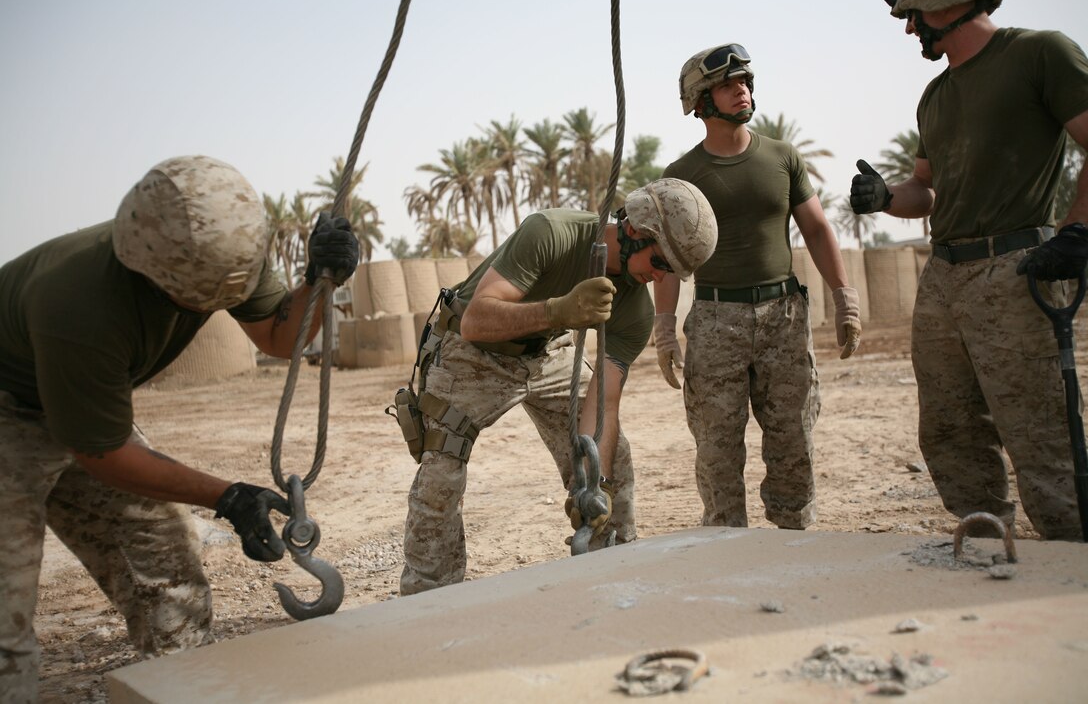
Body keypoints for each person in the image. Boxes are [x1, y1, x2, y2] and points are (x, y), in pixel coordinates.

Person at [0, 155, 360, 700]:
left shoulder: (226, 252)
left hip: (86, 411)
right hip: (11, 414)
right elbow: (105, 455)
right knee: (6, 622)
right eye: (203, 297)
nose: (218, 302)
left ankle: (178, 690)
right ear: (149, 267)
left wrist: (318, 283)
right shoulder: (76, 302)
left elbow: (281, 341)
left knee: (166, 564)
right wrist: (229, 496)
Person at [398, 178, 717, 595]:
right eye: (660, 263)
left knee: (610, 466)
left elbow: (604, 403)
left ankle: (614, 577)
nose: (660, 277)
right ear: (636, 231)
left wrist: (590, 482)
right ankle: (427, 601)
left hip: (549, 350)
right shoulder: (551, 233)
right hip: (473, 348)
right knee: (441, 471)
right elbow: (476, 320)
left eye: (672, 273)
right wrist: (559, 309)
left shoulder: (635, 312)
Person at [851, 0, 1088, 539]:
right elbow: (926, 193)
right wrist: (886, 197)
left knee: (1038, 427)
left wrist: (1077, 230)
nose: (911, 29)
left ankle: (1073, 550)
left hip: (1017, 267)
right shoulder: (935, 95)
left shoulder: (1040, 52)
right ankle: (984, 540)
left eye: (914, 15)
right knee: (949, 426)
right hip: (944, 276)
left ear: (944, 0)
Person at [653, 43, 862, 531]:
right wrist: (664, 328)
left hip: (783, 317)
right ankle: (726, 544)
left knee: (793, 439)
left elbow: (815, 228)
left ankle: (794, 538)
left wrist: (844, 297)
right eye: (727, 85)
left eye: (744, 82)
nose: (741, 90)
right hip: (714, 321)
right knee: (717, 445)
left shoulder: (783, 157)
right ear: (701, 101)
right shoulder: (681, 177)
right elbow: (668, 259)